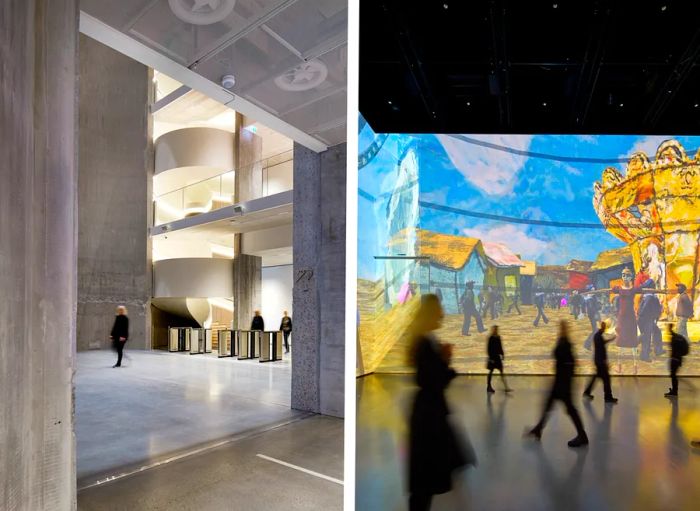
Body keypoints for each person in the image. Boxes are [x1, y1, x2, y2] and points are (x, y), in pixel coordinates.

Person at [408, 294, 474, 511]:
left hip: (431, 413)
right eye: (439, 309)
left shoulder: (425, 339)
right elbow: (428, 380)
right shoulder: (423, 341)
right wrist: (446, 361)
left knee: (425, 482)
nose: (443, 313)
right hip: (429, 417)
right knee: (424, 483)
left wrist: (444, 362)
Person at [526, 321, 589, 447]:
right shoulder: (563, 341)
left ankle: (582, 436)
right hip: (560, 381)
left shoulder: (566, 343)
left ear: (565, 329)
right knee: (549, 405)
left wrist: (568, 381)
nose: (560, 329)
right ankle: (538, 429)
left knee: (570, 409)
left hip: (563, 383)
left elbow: (568, 363)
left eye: (561, 327)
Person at [582, 321, 618, 403]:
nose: (605, 329)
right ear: (603, 327)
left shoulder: (597, 336)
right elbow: (601, 350)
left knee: (596, 378)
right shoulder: (598, 336)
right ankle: (608, 397)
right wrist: (605, 362)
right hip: (600, 362)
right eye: (605, 327)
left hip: (598, 361)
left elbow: (602, 343)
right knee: (606, 380)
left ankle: (587, 392)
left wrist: (611, 339)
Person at [637, 279, 663, 361]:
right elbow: (644, 310)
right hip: (646, 319)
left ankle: (658, 350)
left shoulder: (649, 296)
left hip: (647, 319)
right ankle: (644, 355)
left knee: (657, 332)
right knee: (646, 337)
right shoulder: (649, 297)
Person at [665, 323, 690, 398]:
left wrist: (672, 358)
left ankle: (674, 391)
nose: (667, 330)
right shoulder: (678, 337)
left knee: (673, 375)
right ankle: (674, 390)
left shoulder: (674, 338)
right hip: (678, 359)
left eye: (668, 328)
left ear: (670, 329)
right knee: (673, 375)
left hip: (675, 359)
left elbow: (674, 350)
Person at [486, 326, 512, 393]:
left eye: (496, 329)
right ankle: (489, 387)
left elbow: (500, 347)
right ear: (493, 330)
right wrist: (491, 358)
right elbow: (488, 349)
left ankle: (506, 387)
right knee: (491, 373)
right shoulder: (491, 338)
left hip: (497, 358)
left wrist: (502, 354)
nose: (496, 330)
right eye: (495, 329)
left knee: (501, 372)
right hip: (492, 358)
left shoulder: (498, 337)